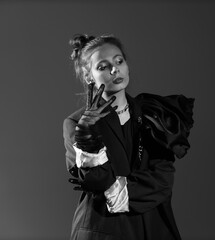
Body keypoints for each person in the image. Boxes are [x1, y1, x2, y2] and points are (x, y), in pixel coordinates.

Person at [63, 34, 194, 240]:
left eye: (119, 61)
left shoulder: (154, 114)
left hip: (153, 227)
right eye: (103, 66)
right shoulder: (77, 124)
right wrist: (88, 139)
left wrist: (113, 190)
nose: (115, 69)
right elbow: (97, 181)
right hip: (103, 229)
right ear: (89, 77)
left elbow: (163, 180)